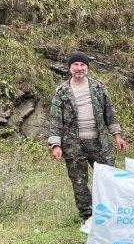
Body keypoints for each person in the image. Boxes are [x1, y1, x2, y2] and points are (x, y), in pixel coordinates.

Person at [48, 50, 127, 220]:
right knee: (79, 182)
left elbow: (109, 112)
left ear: (87, 68)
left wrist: (117, 135)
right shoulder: (62, 92)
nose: (79, 68)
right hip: (73, 146)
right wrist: (56, 145)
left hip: (98, 143)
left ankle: (114, 210)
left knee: (110, 176)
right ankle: (88, 216)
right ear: (70, 68)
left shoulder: (98, 87)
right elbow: (55, 120)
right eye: (75, 65)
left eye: (82, 65)